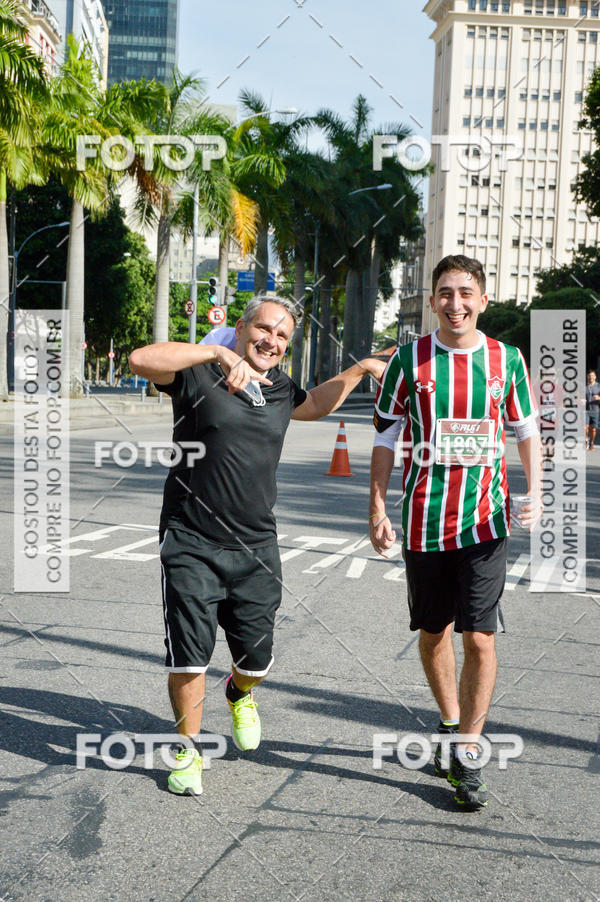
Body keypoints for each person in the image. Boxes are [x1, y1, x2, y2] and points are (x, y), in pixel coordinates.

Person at [129, 295, 385, 795]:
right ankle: (187, 753)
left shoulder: (280, 386)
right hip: (190, 539)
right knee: (189, 656)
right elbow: (141, 360)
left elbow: (313, 405)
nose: (271, 340)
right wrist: (215, 354)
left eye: (282, 335)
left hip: (255, 547)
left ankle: (239, 693)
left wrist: (361, 370)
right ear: (243, 328)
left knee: (256, 661)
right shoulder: (197, 377)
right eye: (263, 329)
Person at [369, 255, 540, 811]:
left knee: (481, 637)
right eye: (445, 293)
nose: (455, 303)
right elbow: (386, 438)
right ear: (433, 300)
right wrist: (376, 506)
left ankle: (469, 752)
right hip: (422, 522)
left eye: (465, 293)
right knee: (434, 632)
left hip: (486, 521)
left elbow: (524, 430)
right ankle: (448, 723)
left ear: (482, 300)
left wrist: (533, 491)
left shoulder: (507, 360)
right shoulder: (409, 360)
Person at [585, 369, 600, 450]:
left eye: (592, 376)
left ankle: (592, 443)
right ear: (587, 377)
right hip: (585, 410)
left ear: (595, 377)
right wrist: (580, 400)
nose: (591, 377)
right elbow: (577, 397)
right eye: (589, 376)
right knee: (585, 427)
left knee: (593, 428)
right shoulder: (584, 387)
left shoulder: (598, 386)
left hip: (595, 410)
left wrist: (599, 397)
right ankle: (586, 441)